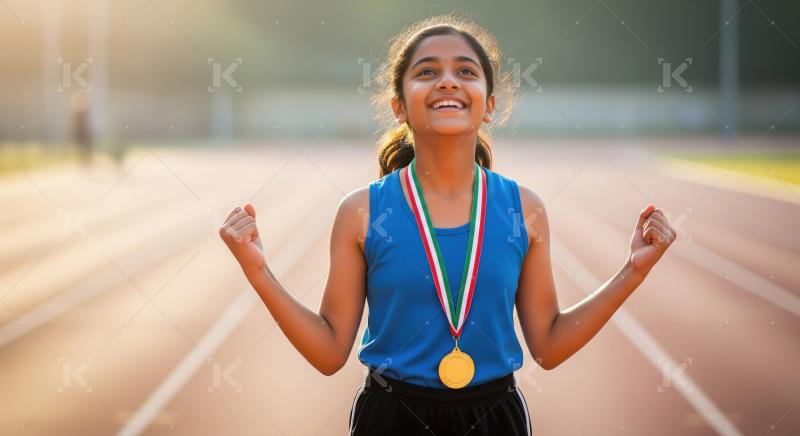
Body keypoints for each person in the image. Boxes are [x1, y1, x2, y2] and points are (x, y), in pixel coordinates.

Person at [219, 13, 676, 436]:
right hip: (391, 416)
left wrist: (632, 270)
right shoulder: (361, 211)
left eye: (465, 71)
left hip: (494, 416)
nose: (447, 82)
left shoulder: (524, 208)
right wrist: (257, 270)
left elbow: (549, 346)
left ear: (489, 104)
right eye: (426, 72)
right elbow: (329, 353)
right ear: (398, 106)